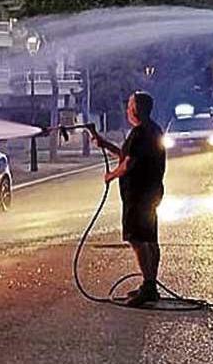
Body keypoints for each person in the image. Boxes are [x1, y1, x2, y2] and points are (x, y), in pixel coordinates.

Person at [88, 91, 166, 307]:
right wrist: (106, 145)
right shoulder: (152, 130)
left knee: (137, 238)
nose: (127, 109)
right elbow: (128, 156)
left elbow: (129, 164)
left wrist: (111, 175)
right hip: (151, 192)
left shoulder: (140, 133)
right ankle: (150, 285)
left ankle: (149, 286)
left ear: (135, 109)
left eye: (130, 105)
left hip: (139, 195)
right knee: (150, 238)